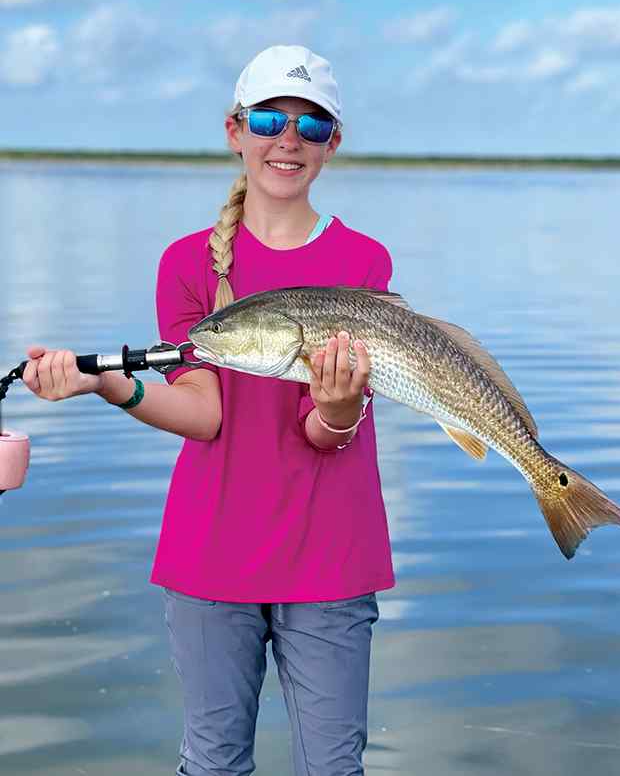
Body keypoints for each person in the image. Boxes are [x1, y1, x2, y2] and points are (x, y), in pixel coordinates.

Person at [22, 45, 396, 776]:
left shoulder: (365, 262)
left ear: (333, 145)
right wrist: (107, 385)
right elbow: (204, 412)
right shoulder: (187, 262)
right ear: (235, 131)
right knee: (213, 762)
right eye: (267, 119)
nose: (287, 139)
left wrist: (339, 410)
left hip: (333, 554)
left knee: (334, 767)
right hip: (210, 555)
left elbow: (326, 432)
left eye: (311, 126)